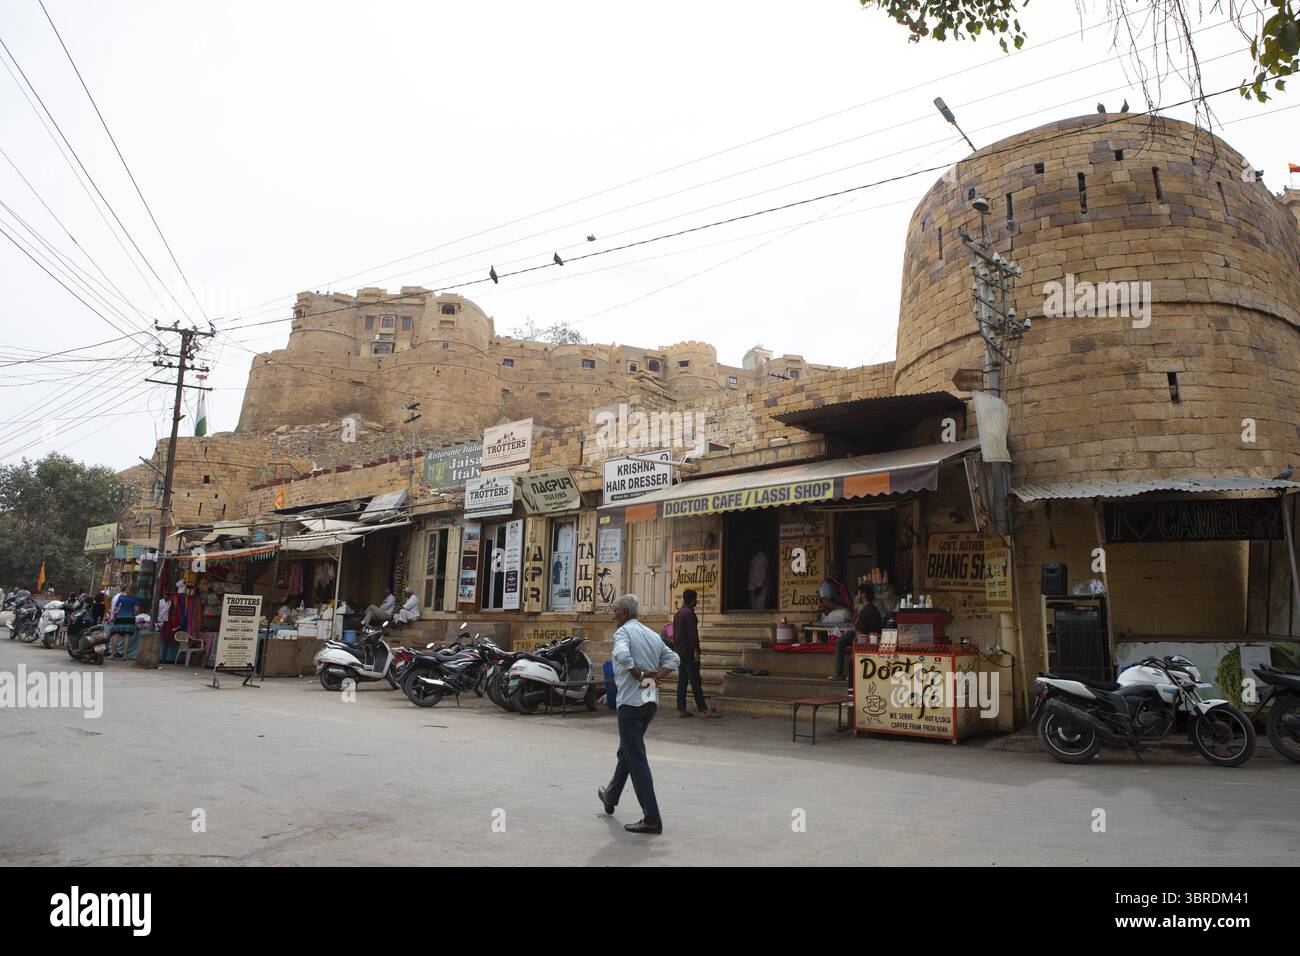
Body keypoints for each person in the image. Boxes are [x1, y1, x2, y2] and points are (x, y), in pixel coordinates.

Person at [599, 594, 679, 835]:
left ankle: (651, 818)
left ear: (624, 613)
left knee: (637, 759)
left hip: (631, 703)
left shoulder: (623, 633)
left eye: (615, 611)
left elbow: (622, 656)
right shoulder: (651, 634)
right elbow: (674, 658)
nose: (613, 615)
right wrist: (656, 676)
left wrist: (638, 674)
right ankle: (611, 795)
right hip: (649, 700)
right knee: (628, 751)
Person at [672, 589, 717, 718]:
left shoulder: (678, 614)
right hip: (689, 652)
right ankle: (702, 709)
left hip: (680, 651)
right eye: (695, 599)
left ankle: (681, 708)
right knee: (695, 680)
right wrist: (696, 651)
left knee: (682, 681)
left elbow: (675, 634)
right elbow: (693, 635)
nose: (696, 601)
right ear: (692, 600)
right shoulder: (689, 614)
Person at [832, 582, 883, 681]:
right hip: (860, 632)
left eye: (858, 593)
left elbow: (859, 632)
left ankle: (853, 672)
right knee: (840, 642)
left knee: (854, 641)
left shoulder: (867, 611)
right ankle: (838, 673)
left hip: (867, 637)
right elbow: (854, 622)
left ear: (863, 595)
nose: (856, 596)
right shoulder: (865, 608)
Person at [748, 543, 769, 610]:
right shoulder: (755, 556)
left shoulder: (761, 558)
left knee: (759, 607)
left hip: (759, 587)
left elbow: (763, 573)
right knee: (755, 606)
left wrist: (759, 586)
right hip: (754, 587)